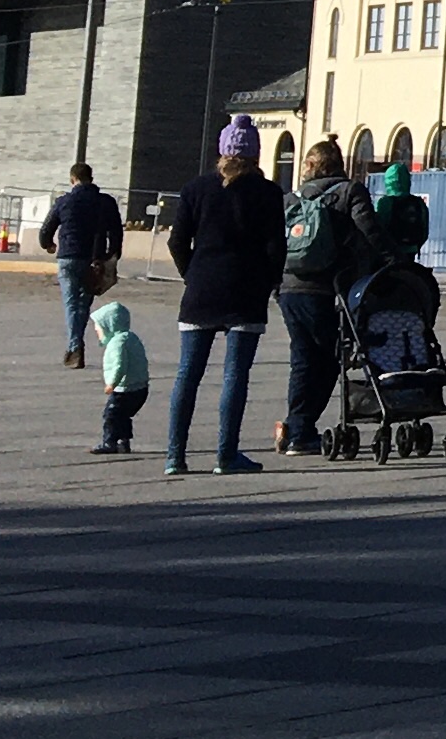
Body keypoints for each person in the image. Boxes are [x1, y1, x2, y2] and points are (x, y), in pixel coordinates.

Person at [162, 120, 286, 475]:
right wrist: (269, 282)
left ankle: (175, 456)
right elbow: (276, 247)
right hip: (246, 292)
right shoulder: (268, 193)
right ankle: (226, 455)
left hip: (201, 290)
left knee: (188, 374)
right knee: (235, 374)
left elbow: (176, 241)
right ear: (255, 153)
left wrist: (191, 275)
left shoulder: (195, 189)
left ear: (222, 151)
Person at [273, 139, 378, 456]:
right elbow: (369, 233)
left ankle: (295, 427)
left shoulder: (291, 199)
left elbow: (275, 243)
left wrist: (277, 286)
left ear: (309, 166)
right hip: (328, 290)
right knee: (331, 360)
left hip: (290, 289)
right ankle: (300, 430)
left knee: (302, 359)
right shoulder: (350, 192)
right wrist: (389, 263)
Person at [40, 162, 121, 365]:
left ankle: (75, 348)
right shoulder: (105, 202)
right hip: (94, 260)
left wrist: (48, 244)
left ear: (72, 179)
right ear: (91, 178)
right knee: (83, 305)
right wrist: (112, 254)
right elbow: (116, 232)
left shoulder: (63, 201)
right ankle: (75, 346)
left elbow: (46, 229)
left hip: (68, 257)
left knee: (71, 303)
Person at [87, 293, 149, 457]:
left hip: (125, 389)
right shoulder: (131, 338)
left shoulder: (117, 344)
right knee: (124, 415)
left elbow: (120, 365)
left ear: (109, 326)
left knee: (111, 415)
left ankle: (110, 442)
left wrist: (112, 383)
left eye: (99, 328)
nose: (97, 331)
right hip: (140, 388)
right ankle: (123, 441)